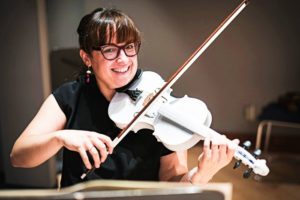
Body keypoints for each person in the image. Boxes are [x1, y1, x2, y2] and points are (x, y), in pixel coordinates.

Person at [10, 8, 239, 187]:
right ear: (87, 57)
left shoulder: (158, 103)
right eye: (110, 50)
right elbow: (19, 157)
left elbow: (171, 183)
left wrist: (201, 174)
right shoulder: (70, 95)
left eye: (129, 47)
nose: (123, 59)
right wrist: (60, 137)